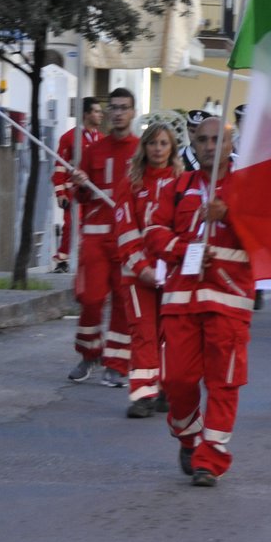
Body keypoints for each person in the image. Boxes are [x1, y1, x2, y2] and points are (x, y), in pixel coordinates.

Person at [147, 118, 255, 486]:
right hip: (181, 301)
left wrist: (231, 214)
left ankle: (210, 458)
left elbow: (267, 240)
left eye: (218, 140)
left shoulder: (247, 189)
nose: (210, 146)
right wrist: (184, 248)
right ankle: (190, 438)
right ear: (193, 142)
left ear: (230, 144)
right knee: (177, 380)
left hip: (229, 302)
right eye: (204, 140)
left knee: (223, 383)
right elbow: (155, 231)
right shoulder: (178, 187)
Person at [68, 88, 139, 386]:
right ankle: (88, 354)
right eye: (114, 108)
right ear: (108, 112)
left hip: (126, 237)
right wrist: (80, 182)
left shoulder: (141, 150)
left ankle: (118, 362)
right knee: (91, 298)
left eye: (124, 108)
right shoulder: (94, 150)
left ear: (133, 112)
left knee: (124, 301)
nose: (118, 113)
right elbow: (81, 196)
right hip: (96, 237)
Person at [113, 121, 180, 418]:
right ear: (145, 147)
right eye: (153, 143)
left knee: (170, 334)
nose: (158, 149)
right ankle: (142, 394)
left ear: (172, 148)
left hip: (172, 273)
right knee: (144, 333)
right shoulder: (130, 183)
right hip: (136, 273)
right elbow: (125, 230)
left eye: (164, 143)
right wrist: (141, 267)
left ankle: (165, 388)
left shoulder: (182, 181)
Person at [51, 96, 102, 272]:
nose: (100, 115)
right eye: (96, 111)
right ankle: (62, 260)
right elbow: (59, 168)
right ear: (86, 114)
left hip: (95, 194)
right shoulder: (69, 138)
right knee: (72, 225)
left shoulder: (101, 140)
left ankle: (87, 259)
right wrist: (60, 193)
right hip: (73, 192)